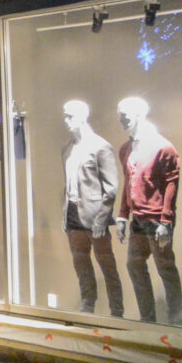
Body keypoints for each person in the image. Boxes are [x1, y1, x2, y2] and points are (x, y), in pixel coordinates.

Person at [118, 96, 182, 325]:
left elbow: (171, 184)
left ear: (137, 115)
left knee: (165, 266)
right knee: (134, 264)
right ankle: (147, 317)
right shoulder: (126, 149)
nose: (121, 119)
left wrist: (166, 221)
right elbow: (128, 183)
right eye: (120, 114)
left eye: (125, 115)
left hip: (157, 219)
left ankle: (177, 318)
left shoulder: (163, 147)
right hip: (138, 219)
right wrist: (122, 216)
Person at [60, 101, 123, 316]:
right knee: (80, 262)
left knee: (107, 263)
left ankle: (117, 311)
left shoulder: (100, 146)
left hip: (95, 215)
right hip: (72, 214)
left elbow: (111, 188)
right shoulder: (68, 149)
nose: (66, 120)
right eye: (65, 116)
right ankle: (88, 304)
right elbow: (68, 184)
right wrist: (65, 214)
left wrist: (102, 219)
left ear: (82, 116)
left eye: (70, 116)